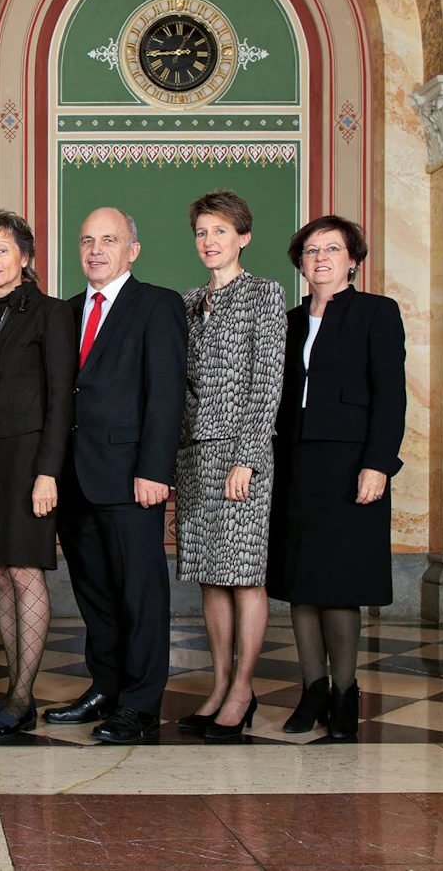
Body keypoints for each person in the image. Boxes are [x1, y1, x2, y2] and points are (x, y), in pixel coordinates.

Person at [45, 207, 187, 744]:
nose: (96, 250)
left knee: (140, 593)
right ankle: (105, 686)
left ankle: (141, 704)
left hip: (131, 478)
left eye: (108, 239)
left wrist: (155, 470)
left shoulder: (157, 305)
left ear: (134, 247)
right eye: (87, 240)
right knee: (95, 592)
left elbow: (167, 394)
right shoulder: (66, 311)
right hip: (75, 478)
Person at [268, 215, 406, 742]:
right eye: (310, 250)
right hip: (296, 461)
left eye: (332, 249)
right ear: (300, 262)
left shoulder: (377, 313)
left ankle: (346, 694)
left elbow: (390, 396)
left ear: (353, 259)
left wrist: (379, 463)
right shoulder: (289, 320)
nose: (320, 258)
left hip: (351, 465)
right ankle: (313, 690)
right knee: (301, 584)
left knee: (339, 584)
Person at [0, 211, 75, 742]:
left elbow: (60, 401)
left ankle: (22, 698)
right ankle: (13, 692)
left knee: (26, 572)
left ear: (25, 256)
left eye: (1, 250)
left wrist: (48, 471)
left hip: (29, 459)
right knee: (2, 573)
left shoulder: (50, 312)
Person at [175, 191, 286, 740]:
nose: (209, 241)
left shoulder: (265, 294)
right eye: (201, 232)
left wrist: (247, 456)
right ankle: (217, 685)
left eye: (219, 231)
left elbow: (267, 381)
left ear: (243, 237)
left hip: (242, 454)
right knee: (208, 577)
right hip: (194, 454)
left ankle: (243, 689)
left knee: (243, 575)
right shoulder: (189, 299)